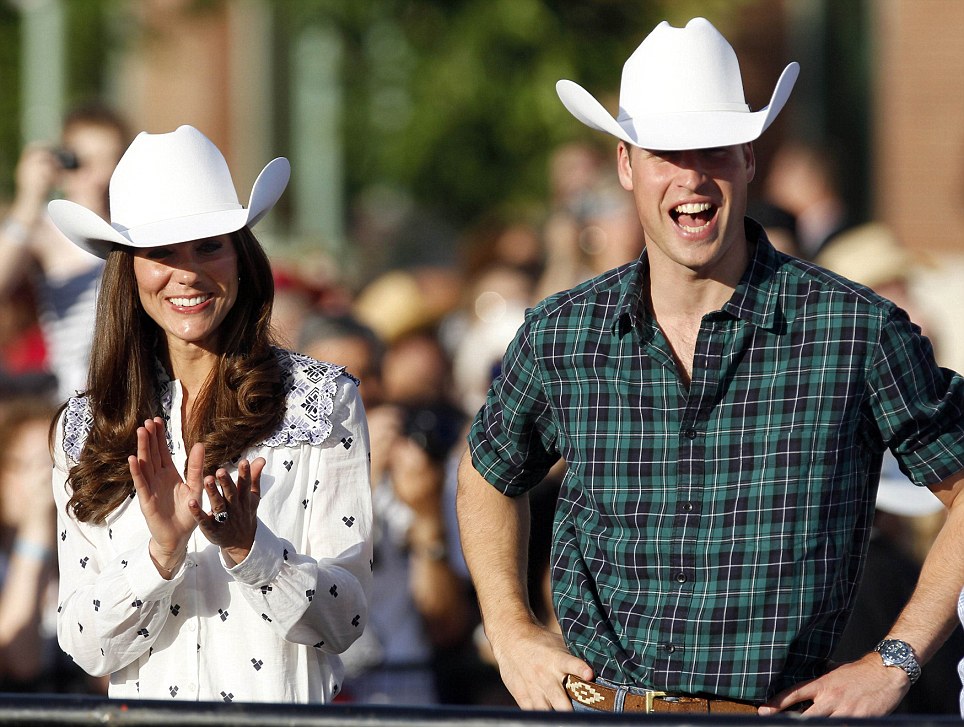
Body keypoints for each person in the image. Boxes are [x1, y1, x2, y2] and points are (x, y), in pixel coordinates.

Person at [456, 17, 964, 718]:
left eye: (716, 149)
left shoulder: (854, 331)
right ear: (626, 164)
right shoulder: (562, 335)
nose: (693, 177)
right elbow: (487, 475)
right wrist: (511, 631)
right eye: (667, 151)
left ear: (750, 157)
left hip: (779, 715)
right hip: (605, 711)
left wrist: (895, 659)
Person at [47, 125, 373, 703]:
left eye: (208, 245)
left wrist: (253, 550)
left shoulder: (321, 400)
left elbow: (345, 621)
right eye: (161, 253)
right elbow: (85, 644)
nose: (188, 273)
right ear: (130, 271)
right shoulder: (86, 427)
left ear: (241, 257)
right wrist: (160, 555)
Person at [0, 104, 128, 401]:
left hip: (134, 384)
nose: (99, 175)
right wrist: (29, 197)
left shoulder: (133, 226)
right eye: (85, 161)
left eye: (110, 159)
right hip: (77, 393)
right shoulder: (47, 229)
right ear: (64, 164)